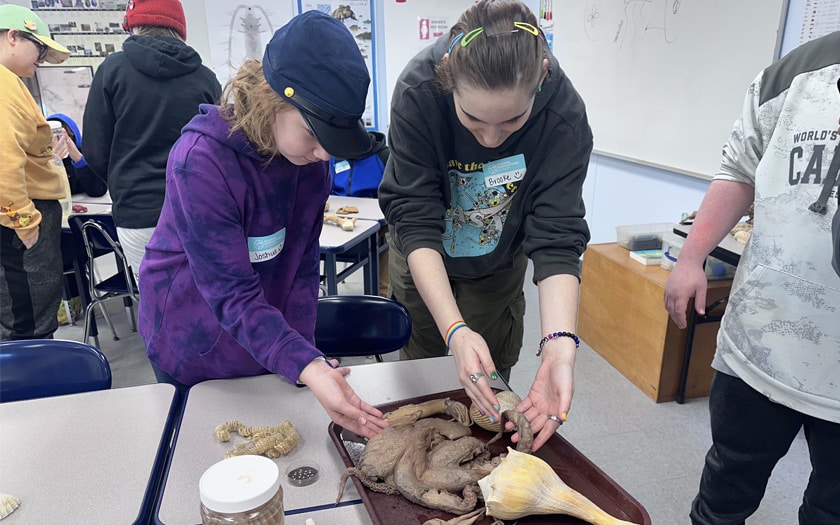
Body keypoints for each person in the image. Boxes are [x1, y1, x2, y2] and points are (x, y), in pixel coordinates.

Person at [138, 11, 387, 439]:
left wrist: (304, 358)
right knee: (204, 461)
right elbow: (231, 292)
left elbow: (302, 269)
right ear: (271, 98)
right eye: (313, 133)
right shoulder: (200, 162)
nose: (324, 154)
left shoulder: (309, 163)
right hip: (191, 335)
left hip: (260, 332)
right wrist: (302, 362)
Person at [378, 0, 592, 451]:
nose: (491, 139)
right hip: (423, 258)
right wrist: (454, 330)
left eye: (513, 121)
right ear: (448, 78)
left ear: (542, 80)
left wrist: (559, 344)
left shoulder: (563, 118)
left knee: (489, 389)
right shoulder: (419, 91)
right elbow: (414, 218)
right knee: (425, 378)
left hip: (496, 267)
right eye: (473, 119)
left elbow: (557, 238)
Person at [663, 31, 840, 525]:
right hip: (761, 342)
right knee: (726, 486)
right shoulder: (796, 73)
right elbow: (739, 168)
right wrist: (689, 258)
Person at [82, 0, 221, 283]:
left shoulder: (112, 70)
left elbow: (95, 150)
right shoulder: (206, 79)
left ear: (134, 25)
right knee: (208, 298)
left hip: (137, 209)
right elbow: (220, 150)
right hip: (197, 207)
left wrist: (122, 178)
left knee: (156, 304)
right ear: (180, 29)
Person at [0, 5, 71, 340]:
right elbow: (3, 161)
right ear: (13, 36)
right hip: (20, 222)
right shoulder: (3, 86)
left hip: (17, 219)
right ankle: (34, 391)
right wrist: (24, 221)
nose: (41, 59)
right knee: (28, 325)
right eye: (39, 48)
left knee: (21, 316)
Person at [47, 113, 108, 197]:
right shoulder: (38, 162)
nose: (58, 143)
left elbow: (98, 190)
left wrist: (78, 159)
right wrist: (52, 163)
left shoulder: (87, 155)